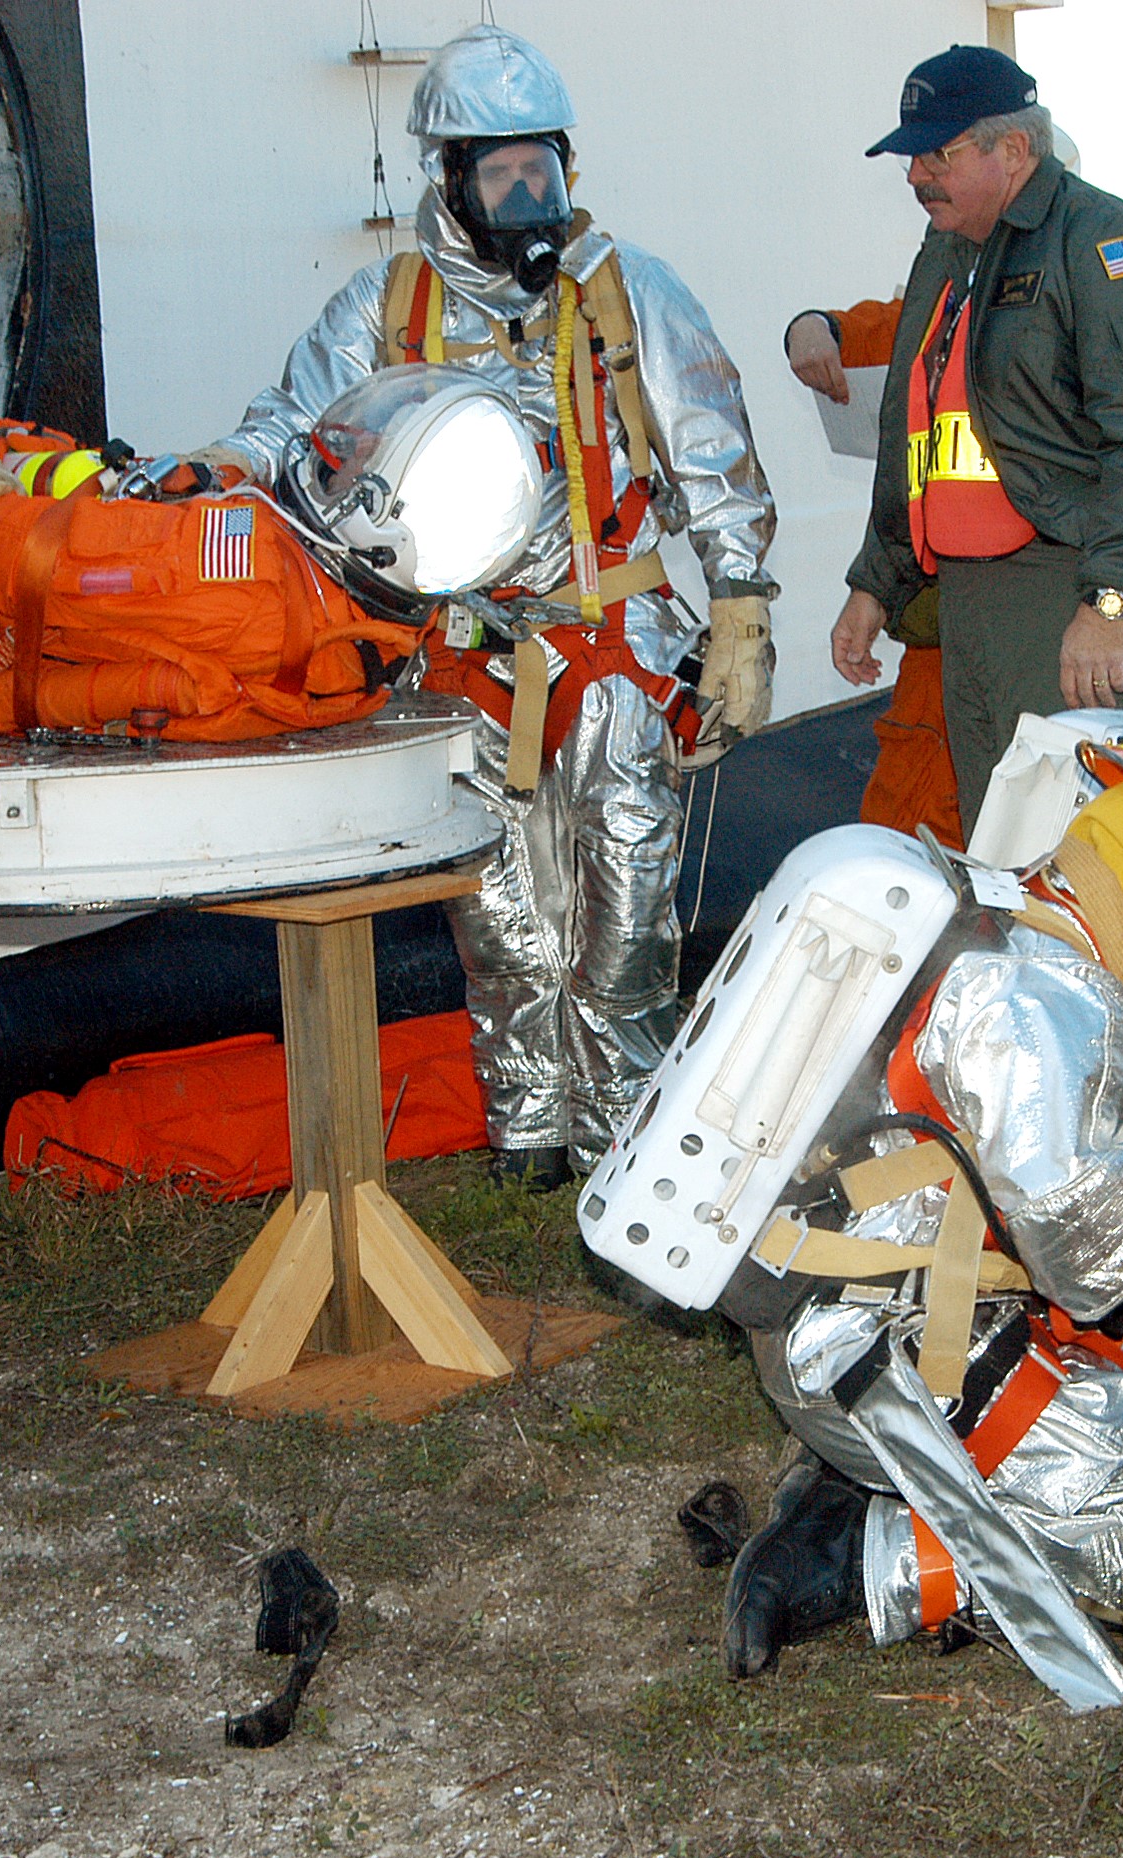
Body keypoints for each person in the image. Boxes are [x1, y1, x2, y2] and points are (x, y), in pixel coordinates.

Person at [204, 25, 777, 1186]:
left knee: (625, 932)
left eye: (544, 170)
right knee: (505, 926)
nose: (529, 198)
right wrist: (216, 469)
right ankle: (527, 1133)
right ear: (448, 179)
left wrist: (744, 609)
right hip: (462, 663)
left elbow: (713, 452)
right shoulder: (385, 306)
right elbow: (294, 429)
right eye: (502, 174)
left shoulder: (626, 295)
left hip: (613, 651)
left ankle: (628, 1148)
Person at [706, 710, 1123, 1702]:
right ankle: (864, 1547)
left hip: (937, 1298)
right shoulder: (1044, 999)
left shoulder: (1024, 919)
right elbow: (1095, 1263)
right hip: (893, 1354)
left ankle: (880, 1483)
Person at [834, 46, 1123, 832]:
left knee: (1102, 859)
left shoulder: (1108, 242)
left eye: (939, 153)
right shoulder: (948, 250)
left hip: (1075, 593)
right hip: (974, 606)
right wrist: (876, 584)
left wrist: (1108, 600)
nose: (916, 176)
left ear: (1015, 149)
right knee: (1000, 851)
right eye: (911, 156)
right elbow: (920, 436)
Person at [788, 297, 962, 847]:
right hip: (939, 640)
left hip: (1030, 647)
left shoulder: (1073, 299)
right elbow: (873, 333)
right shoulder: (948, 296)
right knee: (895, 831)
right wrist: (812, 330)